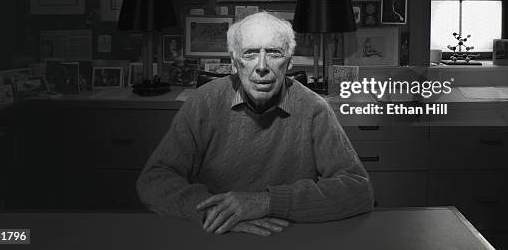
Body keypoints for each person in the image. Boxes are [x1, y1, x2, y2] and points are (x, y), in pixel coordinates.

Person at [136, 12, 373, 236]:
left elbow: (358, 190)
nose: (261, 66)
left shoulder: (314, 108)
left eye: (274, 53)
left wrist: (266, 202)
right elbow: (154, 179)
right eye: (249, 54)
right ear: (234, 63)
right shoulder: (203, 102)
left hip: (287, 234)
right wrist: (217, 212)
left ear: (289, 63)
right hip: (217, 234)